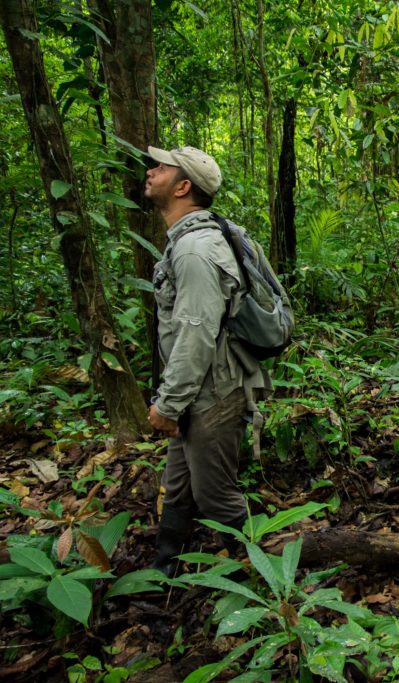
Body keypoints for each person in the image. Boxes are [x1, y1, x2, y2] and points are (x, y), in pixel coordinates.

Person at [144, 145, 270, 575]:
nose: (150, 171)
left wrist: (169, 403)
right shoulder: (194, 240)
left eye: (161, 167)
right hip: (202, 386)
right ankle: (166, 573)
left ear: (183, 186)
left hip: (213, 391)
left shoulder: (195, 250)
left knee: (216, 495)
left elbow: (195, 332)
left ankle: (266, 578)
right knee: (179, 487)